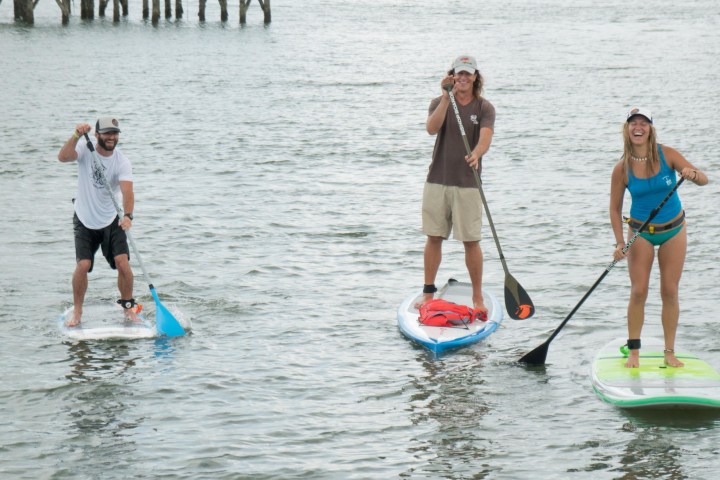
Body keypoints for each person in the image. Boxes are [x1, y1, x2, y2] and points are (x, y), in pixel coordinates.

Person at [609, 107, 708, 368]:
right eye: (633, 123)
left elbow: (704, 180)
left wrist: (692, 174)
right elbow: (615, 208)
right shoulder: (622, 168)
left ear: (651, 129)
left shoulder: (668, 155)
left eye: (643, 123)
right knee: (639, 291)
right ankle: (633, 353)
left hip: (674, 231)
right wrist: (620, 243)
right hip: (641, 232)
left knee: (669, 291)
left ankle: (669, 352)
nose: (638, 127)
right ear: (627, 129)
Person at [419, 55, 496, 314]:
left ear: (475, 77)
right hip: (437, 181)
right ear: (452, 76)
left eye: (468, 74)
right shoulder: (438, 102)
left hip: (467, 184)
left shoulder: (484, 107)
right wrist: (445, 97)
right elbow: (432, 128)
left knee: (471, 241)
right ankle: (428, 292)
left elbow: (485, 138)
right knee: (434, 237)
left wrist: (477, 153)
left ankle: (477, 297)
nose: (463, 78)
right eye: (458, 74)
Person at [58, 117, 139, 326]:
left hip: (111, 217)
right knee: (83, 265)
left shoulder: (122, 161)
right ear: (97, 135)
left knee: (123, 263)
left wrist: (128, 216)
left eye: (115, 133)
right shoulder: (85, 149)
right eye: (107, 133)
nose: (111, 137)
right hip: (84, 218)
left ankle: (128, 307)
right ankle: (77, 312)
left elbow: (127, 191)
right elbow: (63, 157)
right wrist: (76, 135)